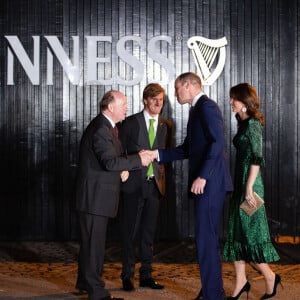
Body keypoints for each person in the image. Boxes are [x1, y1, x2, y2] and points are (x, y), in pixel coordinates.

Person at [150, 72, 233, 300]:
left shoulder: (206, 107)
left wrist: (203, 176)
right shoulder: (196, 110)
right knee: (206, 240)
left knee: (206, 240)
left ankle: (213, 295)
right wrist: (156, 154)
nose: (175, 94)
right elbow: (187, 149)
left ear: (188, 85)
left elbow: (218, 143)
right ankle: (212, 292)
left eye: (177, 89)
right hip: (208, 184)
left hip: (211, 184)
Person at [75, 90, 152, 300]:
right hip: (94, 199)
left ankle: (84, 282)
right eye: (124, 104)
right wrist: (139, 160)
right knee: (94, 246)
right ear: (111, 107)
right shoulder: (102, 129)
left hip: (96, 198)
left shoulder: (107, 127)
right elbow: (109, 162)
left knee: (90, 244)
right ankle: (97, 292)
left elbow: (112, 159)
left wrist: (125, 165)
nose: (127, 107)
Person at [223, 83, 281, 300]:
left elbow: (257, 157)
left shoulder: (254, 124)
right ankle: (240, 283)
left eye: (234, 99)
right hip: (242, 186)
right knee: (237, 234)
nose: (231, 102)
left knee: (250, 236)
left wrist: (248, 188)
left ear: (244, 101)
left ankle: (269, 276)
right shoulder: (244, 122)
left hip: (251, 188)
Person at [118, 83, 173, 291]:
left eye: (161, 99)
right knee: (129, 233)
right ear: (145, 100)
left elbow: (164, 155)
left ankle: (146, 275)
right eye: (154, 99)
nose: (158, 103)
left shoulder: (165, 125)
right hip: (133, 186)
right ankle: (127, 275)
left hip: (154, 187)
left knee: (148, 234)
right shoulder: (130, 123)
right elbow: (119, 151)